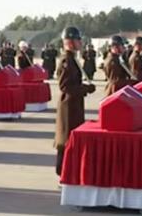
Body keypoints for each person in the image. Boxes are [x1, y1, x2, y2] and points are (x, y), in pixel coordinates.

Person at [54, 27, 95, 176]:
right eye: (78, 40)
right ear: (70, 42)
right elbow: (65, 86)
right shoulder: (67, 60)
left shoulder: (72, 59)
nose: (80, 42)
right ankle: (62, 172)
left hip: (74, 103)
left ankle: (68, 171)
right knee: (65, 139)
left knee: (70, 138)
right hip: (68, 105)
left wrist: (84, 88)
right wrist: (84, 89)